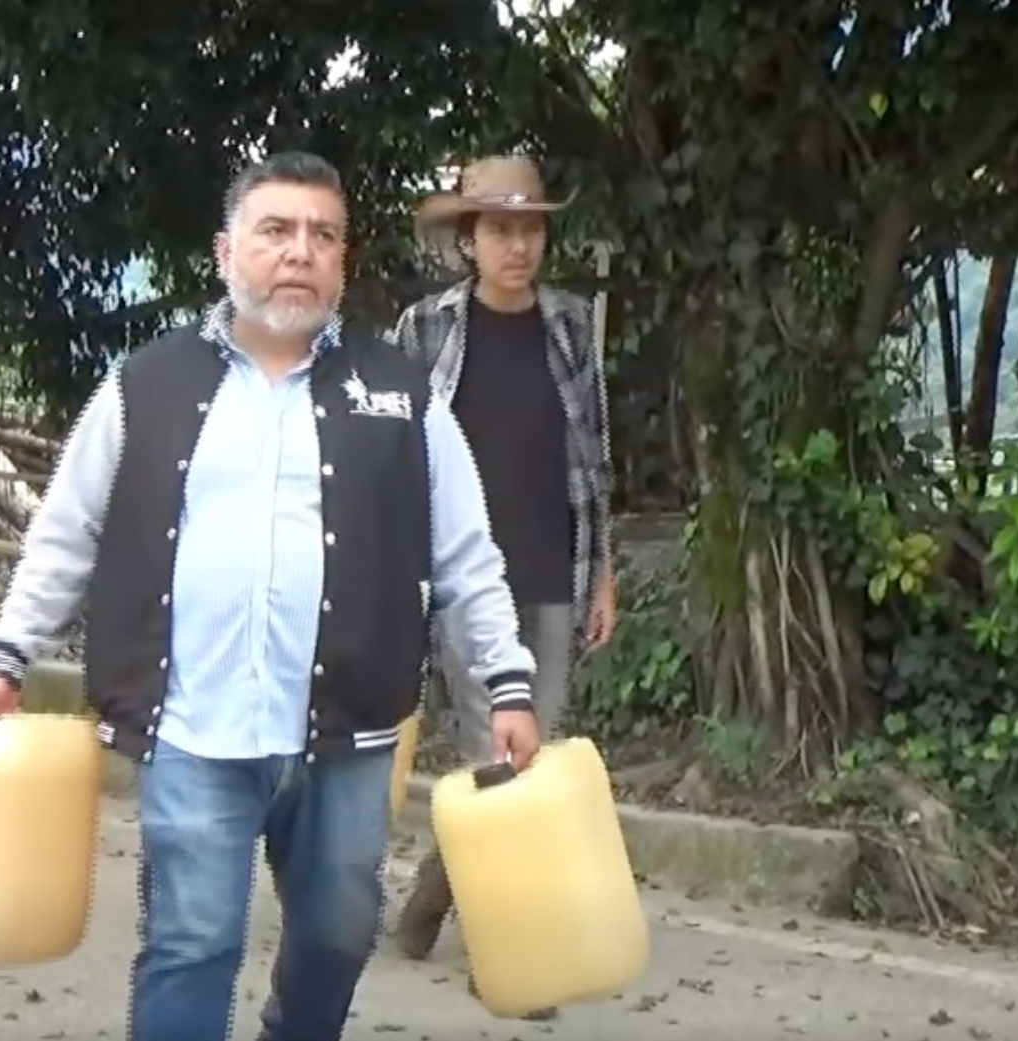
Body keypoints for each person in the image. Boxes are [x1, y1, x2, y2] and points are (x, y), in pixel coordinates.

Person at [0, 151, 542, 1041]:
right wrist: (8, 654)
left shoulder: (401, 394)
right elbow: (65, 531)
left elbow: (468, 556)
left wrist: (506, 683)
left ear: (343, 261)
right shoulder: (142, 386)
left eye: (323, 235)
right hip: (194, 725)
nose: (300, 252)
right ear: (226, 249)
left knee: (339, 929)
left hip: (348, 730)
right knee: (191, 942)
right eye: (276, 230)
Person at [387, 155, 617, 1018]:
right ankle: (505, 945)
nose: (518, 246)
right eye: (499, 230)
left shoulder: (571, 326)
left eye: (530, 229)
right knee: (500, 756)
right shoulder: (428, 328)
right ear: (468, 241)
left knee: (532, 749)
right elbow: (401, 452)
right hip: (458, 577)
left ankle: (424, 908)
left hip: (553, 567)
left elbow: (596, 455)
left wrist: (603, 573)